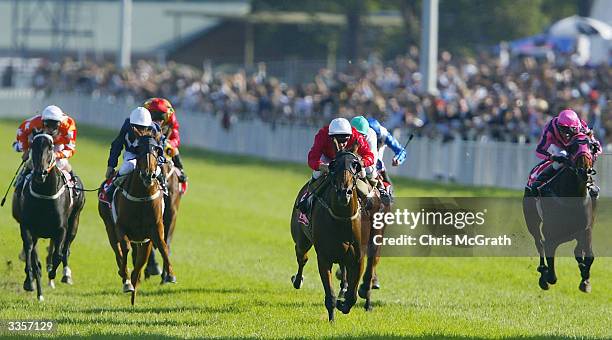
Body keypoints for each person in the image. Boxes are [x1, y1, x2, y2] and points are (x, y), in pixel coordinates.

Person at [297, 117, 374, 214]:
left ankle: (368, 197)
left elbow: (369, 156)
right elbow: (312, 159)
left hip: (348, 159)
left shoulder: (356, 136)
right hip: (329, 158)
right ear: (330, 136)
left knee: (362, 173)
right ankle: (308, 197)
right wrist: (324, 167)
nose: (342, 144)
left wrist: (361, 163)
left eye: (345, 140)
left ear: (350, 135)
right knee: (317, 173)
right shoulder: (322, 135)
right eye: (339, 140)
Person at [527, 109, 602, 196]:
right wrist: (553, 157)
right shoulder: (550, 128)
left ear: (576, 127)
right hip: (559, 147)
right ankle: (540, 181)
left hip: (574, 147)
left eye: (569, 130)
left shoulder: (583, 128)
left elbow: (598, 148)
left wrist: (593, 150)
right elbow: (539, 150)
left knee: (584, 157)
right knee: (562, 156)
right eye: (563, 129)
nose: (566, 134)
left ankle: (590, 183)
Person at [100, 107, 163, 202]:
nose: (140, 130)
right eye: (137, 126)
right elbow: (117, 144)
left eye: (143, 127)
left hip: (148, 154)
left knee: (157, 170)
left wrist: (159, 159)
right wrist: (111, 165)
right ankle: (111, 189)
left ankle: (164, 187)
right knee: (128, 166)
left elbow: (159, 148)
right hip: (131, 153)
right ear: (132, 124)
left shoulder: (155, 129)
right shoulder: (127, 125)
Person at [13, 105, 78, 192]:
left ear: (60, 123)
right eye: (47, 125)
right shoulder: (33, 123)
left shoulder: (68, 125)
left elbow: (70, 149)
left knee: (61, 163)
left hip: (58, 142)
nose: (50, 129)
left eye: (54, 125)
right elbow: (21, 132)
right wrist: (25, 150)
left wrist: (56, 155)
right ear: (42, 121)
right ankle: (21, 179)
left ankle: (74, 183)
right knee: (34, 160)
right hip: (40, 139)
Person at [143, 98, 188, 186]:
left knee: (173, 150)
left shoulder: (171, 118)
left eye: (160, 120)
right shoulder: (144, 113)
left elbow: (176, 139)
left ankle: (180, 171)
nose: (157, 122)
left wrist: (169, 143)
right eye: (154, 119)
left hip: (165, 139)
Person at [350, 116, 391, 205]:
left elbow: (371, 157)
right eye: (356, 134)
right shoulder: (346, 133)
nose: (359, 138)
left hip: (366, 156)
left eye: (362, 135)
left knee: (370, 171)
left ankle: (380, 187)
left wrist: (362, 163)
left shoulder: (370, 135)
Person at [366, 117, 408, 185]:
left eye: (376, 140)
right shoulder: (360, 132)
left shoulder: (384, 134)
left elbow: (401, 151)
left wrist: (398, 158)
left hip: (377, 163)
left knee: (387, 187)